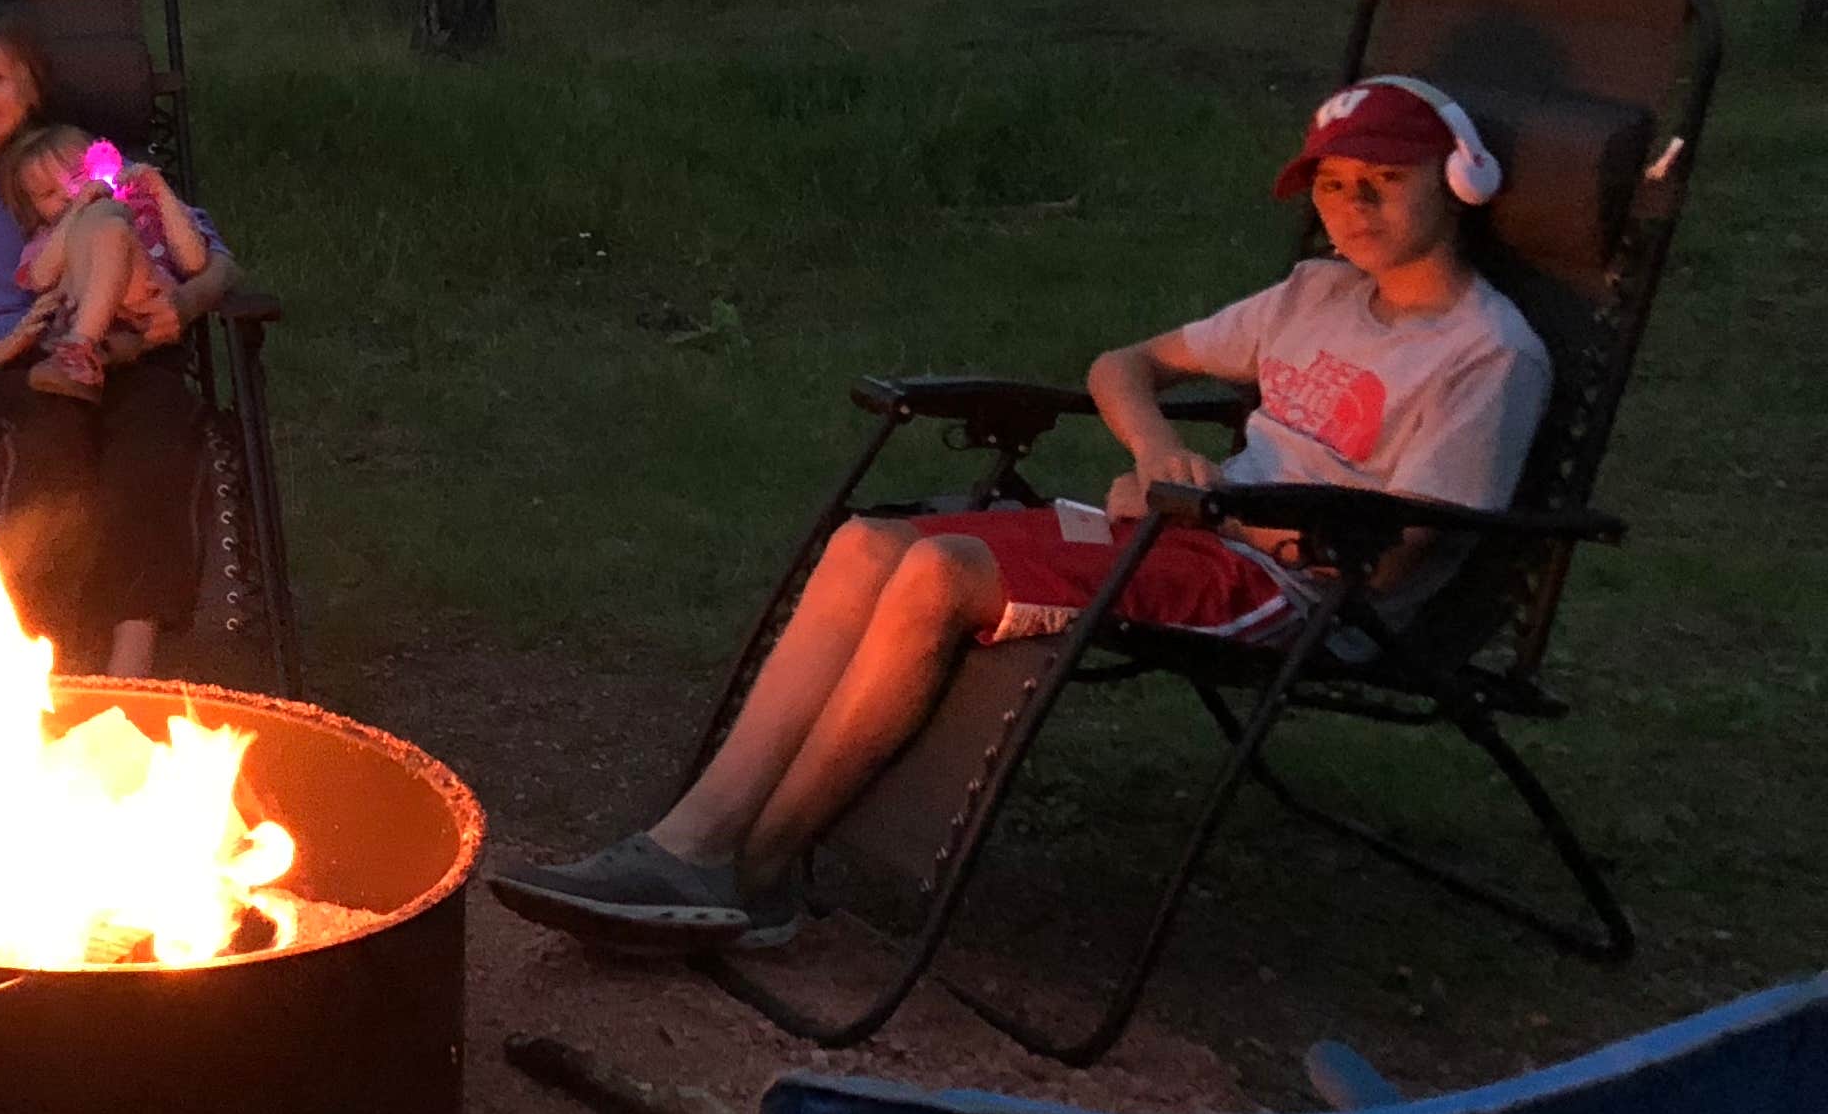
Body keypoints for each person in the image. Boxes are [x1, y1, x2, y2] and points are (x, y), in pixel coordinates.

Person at [489, 75, 1553, 950]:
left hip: (1292, 586)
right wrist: (1155, 450)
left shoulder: (1486, 355)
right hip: (1183, 524)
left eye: (1384, 181)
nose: (1352, 207)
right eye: (1332, 183)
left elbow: (1408, 546)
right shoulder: (1312, 296)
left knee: (943, 577)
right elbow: (1121, 364)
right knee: (872, 543)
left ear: (1459, 185)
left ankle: (755, 882)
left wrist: (1215, 507)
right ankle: (686, 847)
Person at [0, 18, 239, 677]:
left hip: (120, 350)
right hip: (2, 365)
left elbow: (216, 259)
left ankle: (130, 658)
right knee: (53, 428)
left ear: (29, 86)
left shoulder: (79, 155)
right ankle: (44, 649)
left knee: (158, 421)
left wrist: (182, 304)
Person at [0, 125, 214, 397]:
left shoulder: (147, 211)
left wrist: (160, 192)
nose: (68, 193)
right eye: (48, 194)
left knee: (111, 223)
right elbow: (41, 278)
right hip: (98, 321)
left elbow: (194, 263)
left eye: (78, 177)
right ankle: (92, 359)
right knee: (101, 218)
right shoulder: (50, 235)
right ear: (32, 208)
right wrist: (78, 209)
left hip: (146, 304)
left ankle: (79, 347)